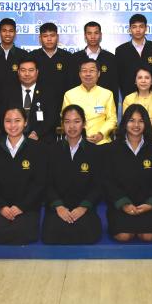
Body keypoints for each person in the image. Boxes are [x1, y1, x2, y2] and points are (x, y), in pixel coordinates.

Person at [0, 106, 47, 244]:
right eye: (8, 121)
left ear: (25, 122)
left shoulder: (38, 149)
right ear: (3, 123)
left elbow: (39, 184)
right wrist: (1, 207)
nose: (12, 125)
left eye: (17, 120)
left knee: (23, 232)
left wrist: (20, 207)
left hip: (26, 208)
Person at [41, 105, 104, 245]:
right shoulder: (51, 150)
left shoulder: (95, 151)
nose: (72, 126)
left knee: (88, 235)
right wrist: (59, 207)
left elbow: (99, 185)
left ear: (84, 123)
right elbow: (46, 183)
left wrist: (83, 207)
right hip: (58, 208)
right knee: (51, 236)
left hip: (84, 207)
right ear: (62, 124)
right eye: (67, 122)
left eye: (77, 121)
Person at [104, 105, 152, 242]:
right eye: (132, 120)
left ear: (146, 123)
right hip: (121, 205)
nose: (136, 125)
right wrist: (124, 204)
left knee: (148, 236)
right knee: (123, 236)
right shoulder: (111, 149)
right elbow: (108, 181)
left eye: (141, 121)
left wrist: (150, 204)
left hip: (147, 205)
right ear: (125, 122)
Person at [1, 55, 58, 143]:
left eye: (31, 70)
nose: (27, 74)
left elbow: (52, 117)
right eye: (23, 70)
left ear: (37, 72)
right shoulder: (8, 92)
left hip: (41, 137)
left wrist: (37, 133)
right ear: (18, 72)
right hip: (13, 137)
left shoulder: (48, 92)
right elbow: (2, 116)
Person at [61, 59, 117, 144]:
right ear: (79, 74)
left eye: (92, 71)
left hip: (101, 141)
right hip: (76, 141)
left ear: (98, 73)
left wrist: (101, 134)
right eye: (84, 71)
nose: (88, 74)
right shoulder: (69, 94)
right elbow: (65, 119)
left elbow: (112, 119)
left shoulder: (107, 94)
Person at [30, 22, 77, 106]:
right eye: (45, 36)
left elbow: (72, 85)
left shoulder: (68, 57)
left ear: (57, 37)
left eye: (52, 35)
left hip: (63, 105)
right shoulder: (32, 57)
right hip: (38, 105)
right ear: (40, 38)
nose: (49, 39)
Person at [72, 21, 119, 104]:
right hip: (80, 103)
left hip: (104, 104)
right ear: (85, 36)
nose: (93, 36)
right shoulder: (75, 58)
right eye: (89, 33)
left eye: (96, 33)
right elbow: (72, 85)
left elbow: (114, 86)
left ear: (100, 35)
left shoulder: (111, 58)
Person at [115, 14, 152, 97]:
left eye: (141, 26)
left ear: (146, 28)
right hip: (129, 97)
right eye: (134, 27)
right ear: (130, 29)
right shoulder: (121, 50)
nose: (138, 30)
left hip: (151, 97)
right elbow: (119, 77)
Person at [122, 66, 152, 145]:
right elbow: (127, 122)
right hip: (134, 134)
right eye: (140, 78)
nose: (143, 81)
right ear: (135, 81)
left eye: (147, 78)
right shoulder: (128, 99)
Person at [0, 17, 28, 91]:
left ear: (15, 33)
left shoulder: (23, 55)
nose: (7, 34)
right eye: (4, 31)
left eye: (11, 31)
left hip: (16, 97)